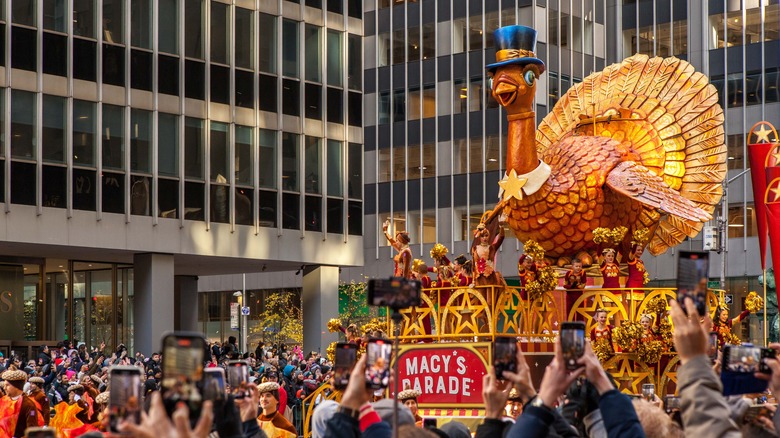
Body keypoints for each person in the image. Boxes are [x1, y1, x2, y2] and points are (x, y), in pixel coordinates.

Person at [669, 296, 742, 436]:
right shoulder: (714, 327)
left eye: (727, 314)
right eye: (724, 313)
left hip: (712, 356)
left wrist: (695, 361)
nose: (726, 316)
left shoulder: (725, 325)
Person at [0, 369, 41, 436]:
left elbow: (32, 431)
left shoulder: (28, 405)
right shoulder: (5, 400)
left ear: (16, 387)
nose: (4, 388)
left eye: (7, 385)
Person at [472, 222, 506, 288]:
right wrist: (473, 280)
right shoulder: (474, 248)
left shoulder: (492, 248)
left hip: (490, 278)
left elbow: (501, 237)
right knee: (479, 297)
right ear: (479, 237)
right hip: (478, 278)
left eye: (486, 235)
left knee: (490, 297)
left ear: (489, 236)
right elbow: (473, 266)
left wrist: (501, 226)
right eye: (482, 236)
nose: (484, 238)